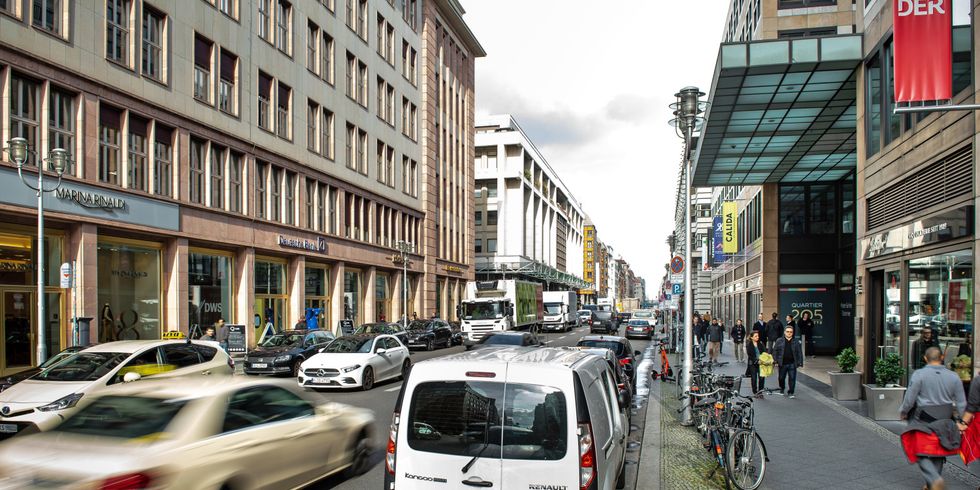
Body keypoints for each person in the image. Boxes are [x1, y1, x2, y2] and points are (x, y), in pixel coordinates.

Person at [899, 347, 966, 490]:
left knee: (918, 450)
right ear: (942, 357)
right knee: (939, 451)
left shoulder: (919, 374)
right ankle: (932, 484)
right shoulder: (954, 376)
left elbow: (910, 398)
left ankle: (934, 479)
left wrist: (903, 411)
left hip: (924, 419)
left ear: (925, 358)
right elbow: (961, 403)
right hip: (946, 419)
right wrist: (963, 421)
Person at [772, 326, 804, 398]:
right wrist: (775, 361)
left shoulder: (796, 342)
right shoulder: (779, 340)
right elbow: (775, 351)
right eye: (787, 331)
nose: (789, 333)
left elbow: (799, 352)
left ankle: (791, 392)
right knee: (781, 378)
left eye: (791, 332)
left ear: (792, 333)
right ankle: (782, 388)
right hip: (782, 363)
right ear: (784, 332)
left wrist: (800, 362)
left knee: (792, 378)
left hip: (792, 363)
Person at [745, 330, 766, 398]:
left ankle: (760, 392)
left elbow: (764, 352)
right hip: (753, 364)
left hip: (761, 363)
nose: (757, 337)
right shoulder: (749, 345)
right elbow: (750, 355)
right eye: (755, 336)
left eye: (758, 336)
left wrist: (763, 360)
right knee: (754, 378)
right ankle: (755, 391)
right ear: (751, 337)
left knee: (762, 377)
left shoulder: (761, 343)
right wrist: (756, 361)